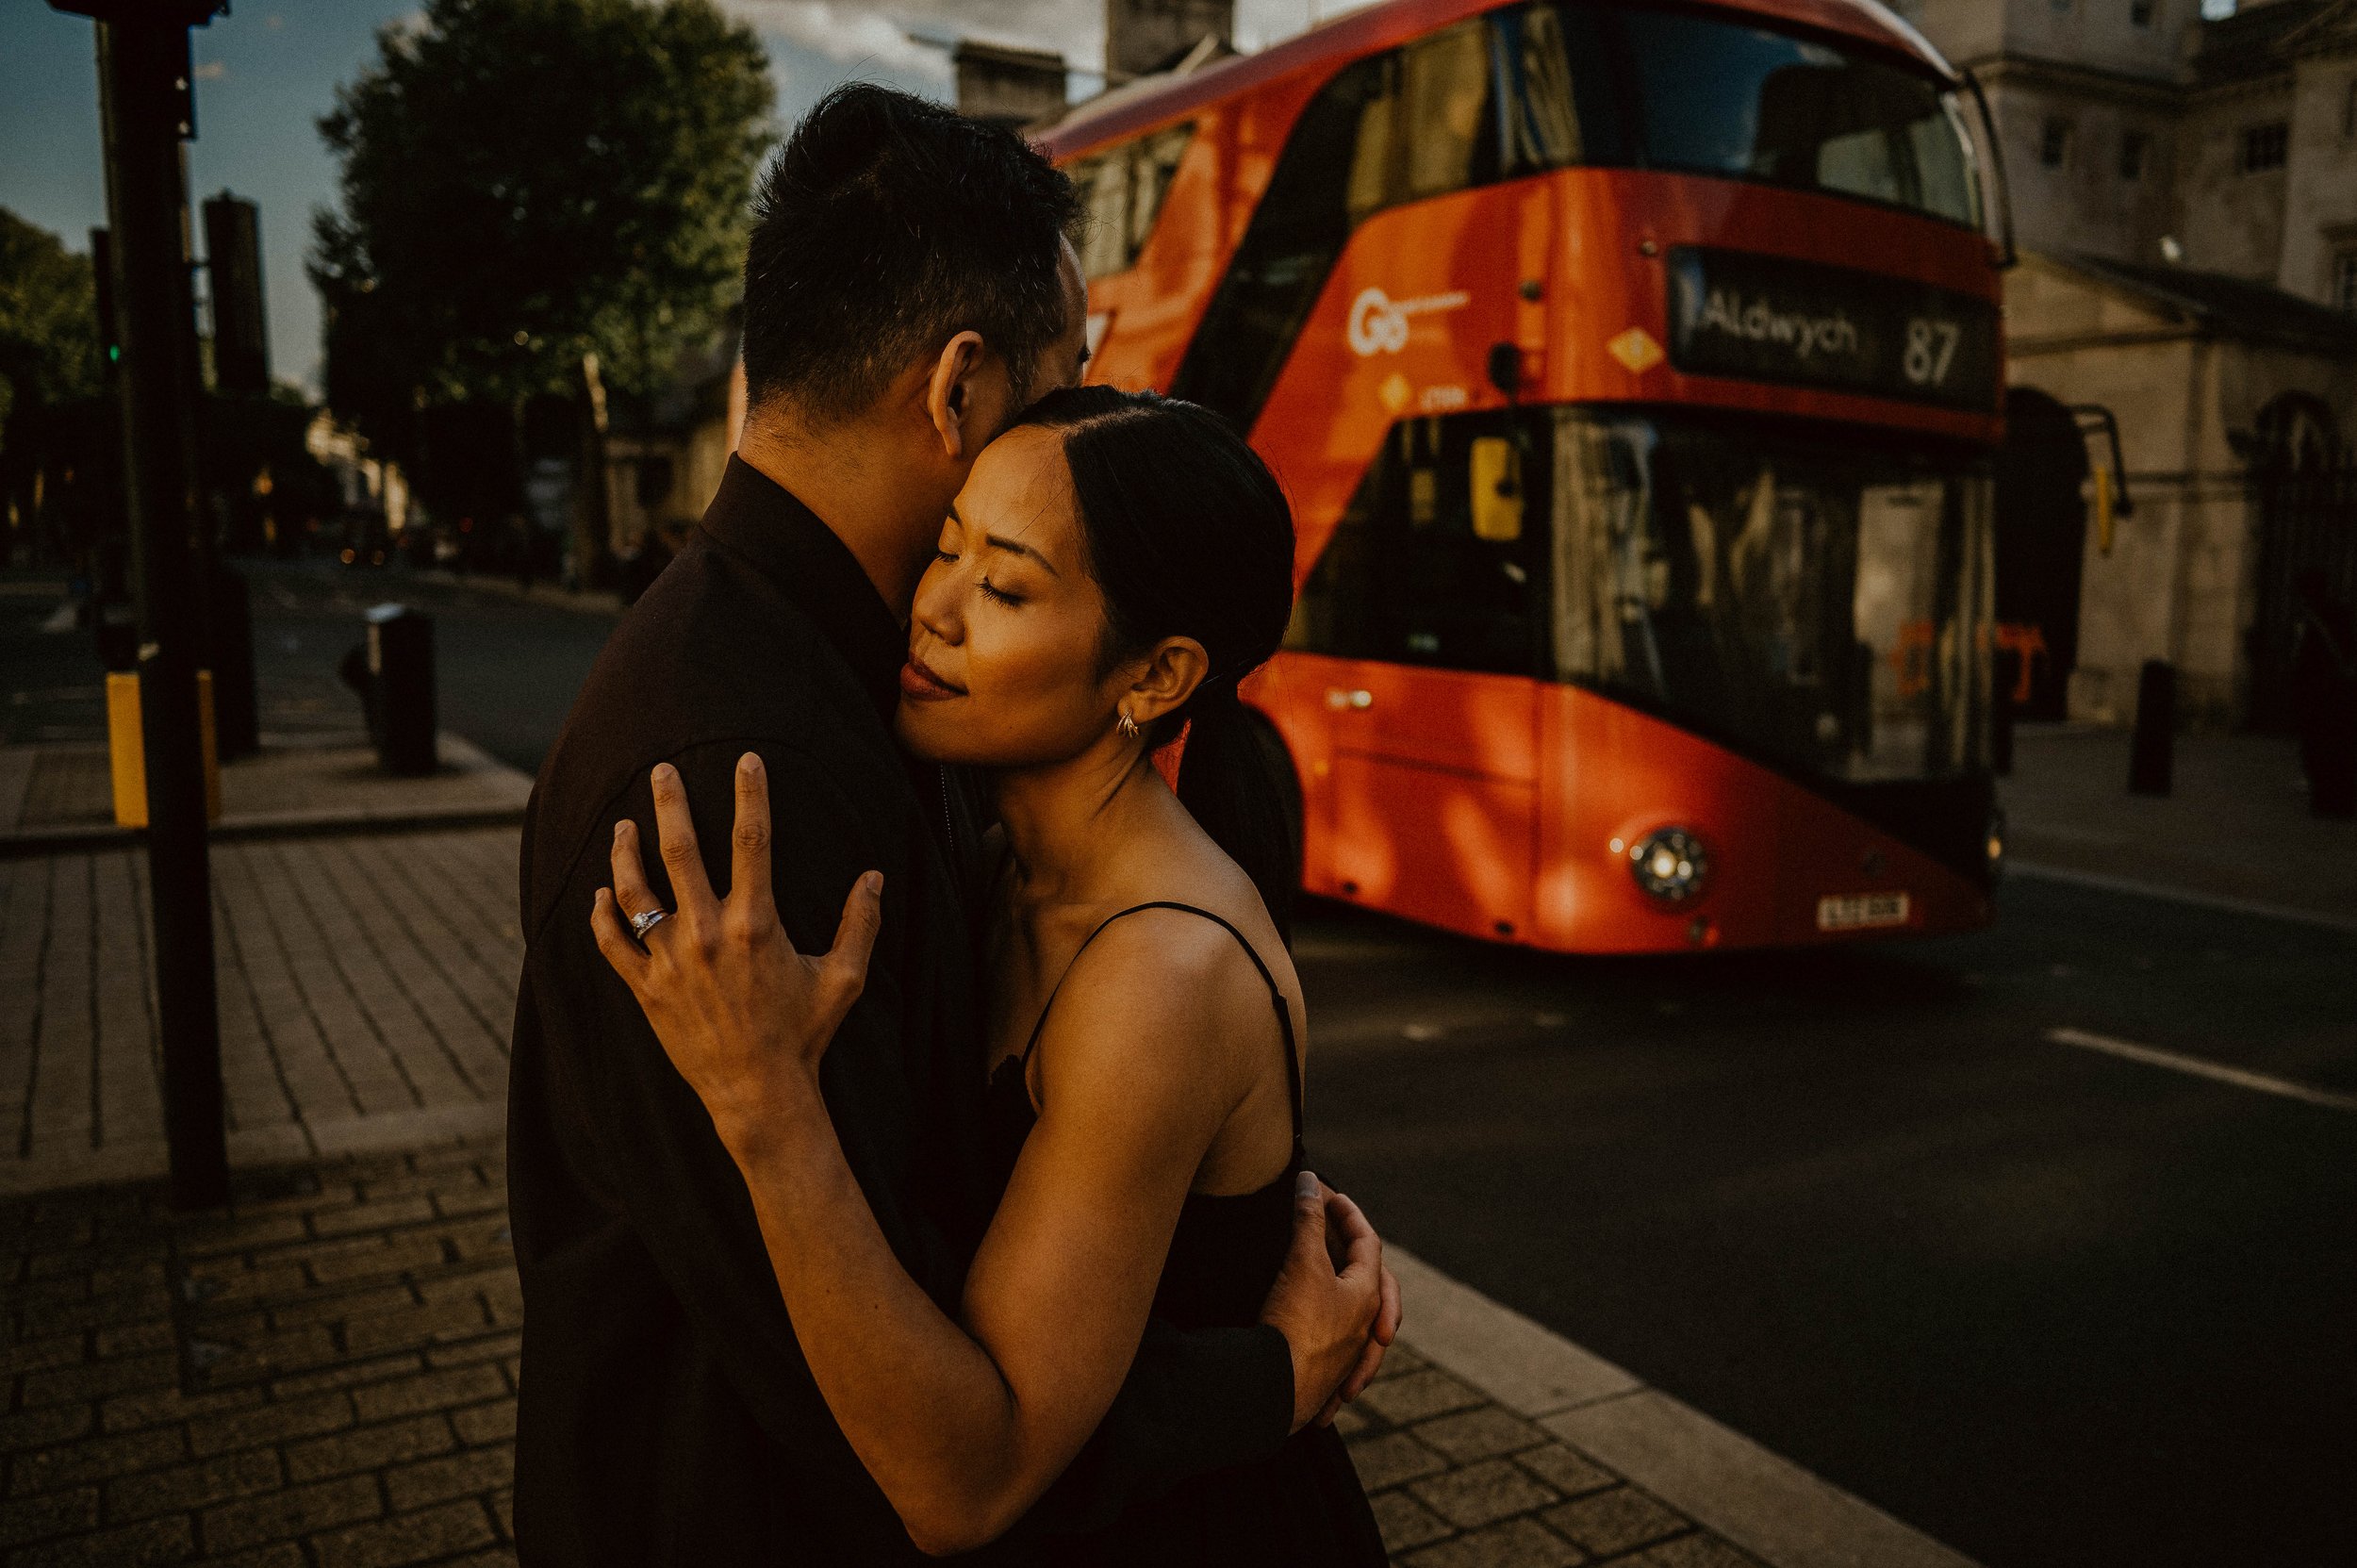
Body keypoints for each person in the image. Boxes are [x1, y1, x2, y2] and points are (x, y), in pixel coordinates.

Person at [507, 87, 1397, 1565]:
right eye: (1065, 378)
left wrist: (1235, 1189)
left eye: (1007, 579)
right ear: (961, 390)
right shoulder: (742, 772)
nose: (951, 603)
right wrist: (1256, 1371)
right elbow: (904, 1435)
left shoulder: (863, 691)